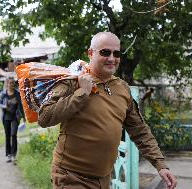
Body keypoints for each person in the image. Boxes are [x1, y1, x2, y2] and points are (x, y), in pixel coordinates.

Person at [38, 32, 177, 189]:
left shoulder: (122, 88)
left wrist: (160, 164)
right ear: (91, 53)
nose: (112, 58)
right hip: (71, 176)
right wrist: (82, 93)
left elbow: (140, 130)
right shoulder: (73, 81)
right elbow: (44, 117)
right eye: (105, 52)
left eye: (116, 53)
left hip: (104, 179)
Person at [0, 76, 25, 164]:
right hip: (6, 118)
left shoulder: (17, 94)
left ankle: (14, 155)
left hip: (15, 118)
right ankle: (8, 155)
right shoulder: (3, 93)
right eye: (9, 83)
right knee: (7, 136)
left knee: (13, 135)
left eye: (13, 83)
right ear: (7, 84)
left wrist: (24, 117)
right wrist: (3, 106)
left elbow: (21, 106)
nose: (11, 84)